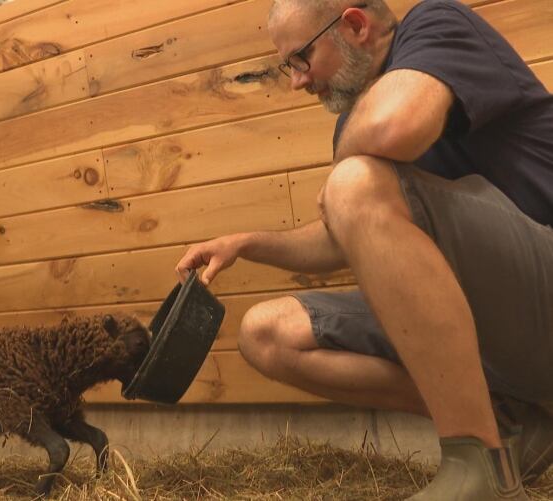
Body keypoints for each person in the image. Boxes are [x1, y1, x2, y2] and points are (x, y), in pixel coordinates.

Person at [175, 0, 553, 499]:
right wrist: (244, 244)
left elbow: (394, 129)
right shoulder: (356, 127)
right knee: (265, 333)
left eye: (300, 58)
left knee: (353, 184)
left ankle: (478, 464)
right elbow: (341, 235)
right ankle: (508, 422)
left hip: (541, 295)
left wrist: (345, 178)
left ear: (354, 25)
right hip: (489, 329)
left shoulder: (436, 27)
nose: (297, 81)